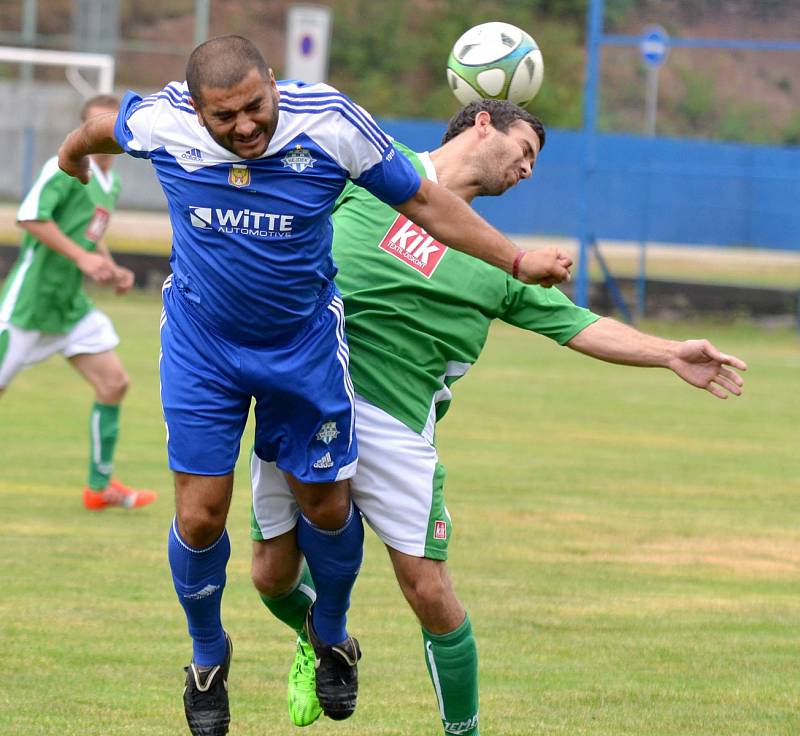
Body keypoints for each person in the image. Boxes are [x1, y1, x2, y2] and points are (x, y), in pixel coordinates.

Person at [56, 37, 572, 736]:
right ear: (195, 111)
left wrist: (516, 258)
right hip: (202, 346)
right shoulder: (161, 121)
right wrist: (73, 155)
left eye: (254, 108)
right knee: (200, 514)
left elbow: (423, 199)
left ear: (275, 83)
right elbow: (102, 126)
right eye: (223, 117)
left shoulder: (329, 122)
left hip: (302, 347)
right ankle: (208, 657)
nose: (243, 127)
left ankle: (330, 634)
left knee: (327, 508)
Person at [249, 100, 748, 734]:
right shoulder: (375, 167)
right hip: (307, 390)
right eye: (527, 151)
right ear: (482, 122)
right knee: (270, 577)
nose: (529, 170)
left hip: (394, 423)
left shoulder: (499, 260)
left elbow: (581, 326)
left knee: (429, 589)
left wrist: (670, 352)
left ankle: (466, 731)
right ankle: (321, 638)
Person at [0, 94, 157, 512]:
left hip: (69, 306)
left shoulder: (113, 181)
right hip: (31, 303)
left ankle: (99, 487)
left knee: (114, 383)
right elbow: (31, 218)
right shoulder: (61, 168)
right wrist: (82, 257)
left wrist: (109, 265)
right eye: (93, 127)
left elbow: (92, 231)